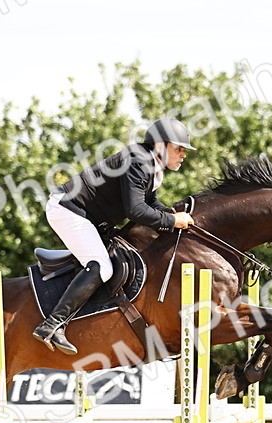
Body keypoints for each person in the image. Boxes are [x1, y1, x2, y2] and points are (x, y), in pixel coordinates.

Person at [33, 118, 196, 355]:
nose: (183, 154)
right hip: (68, 210)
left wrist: (173, 215)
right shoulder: (139, 160)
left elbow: (149, 202)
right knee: (102, 266)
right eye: (179, 148)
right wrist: (172, 221)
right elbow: (136, 211)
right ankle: (52, 325)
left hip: (88, 216)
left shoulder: (150, 163)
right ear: (161, 145)